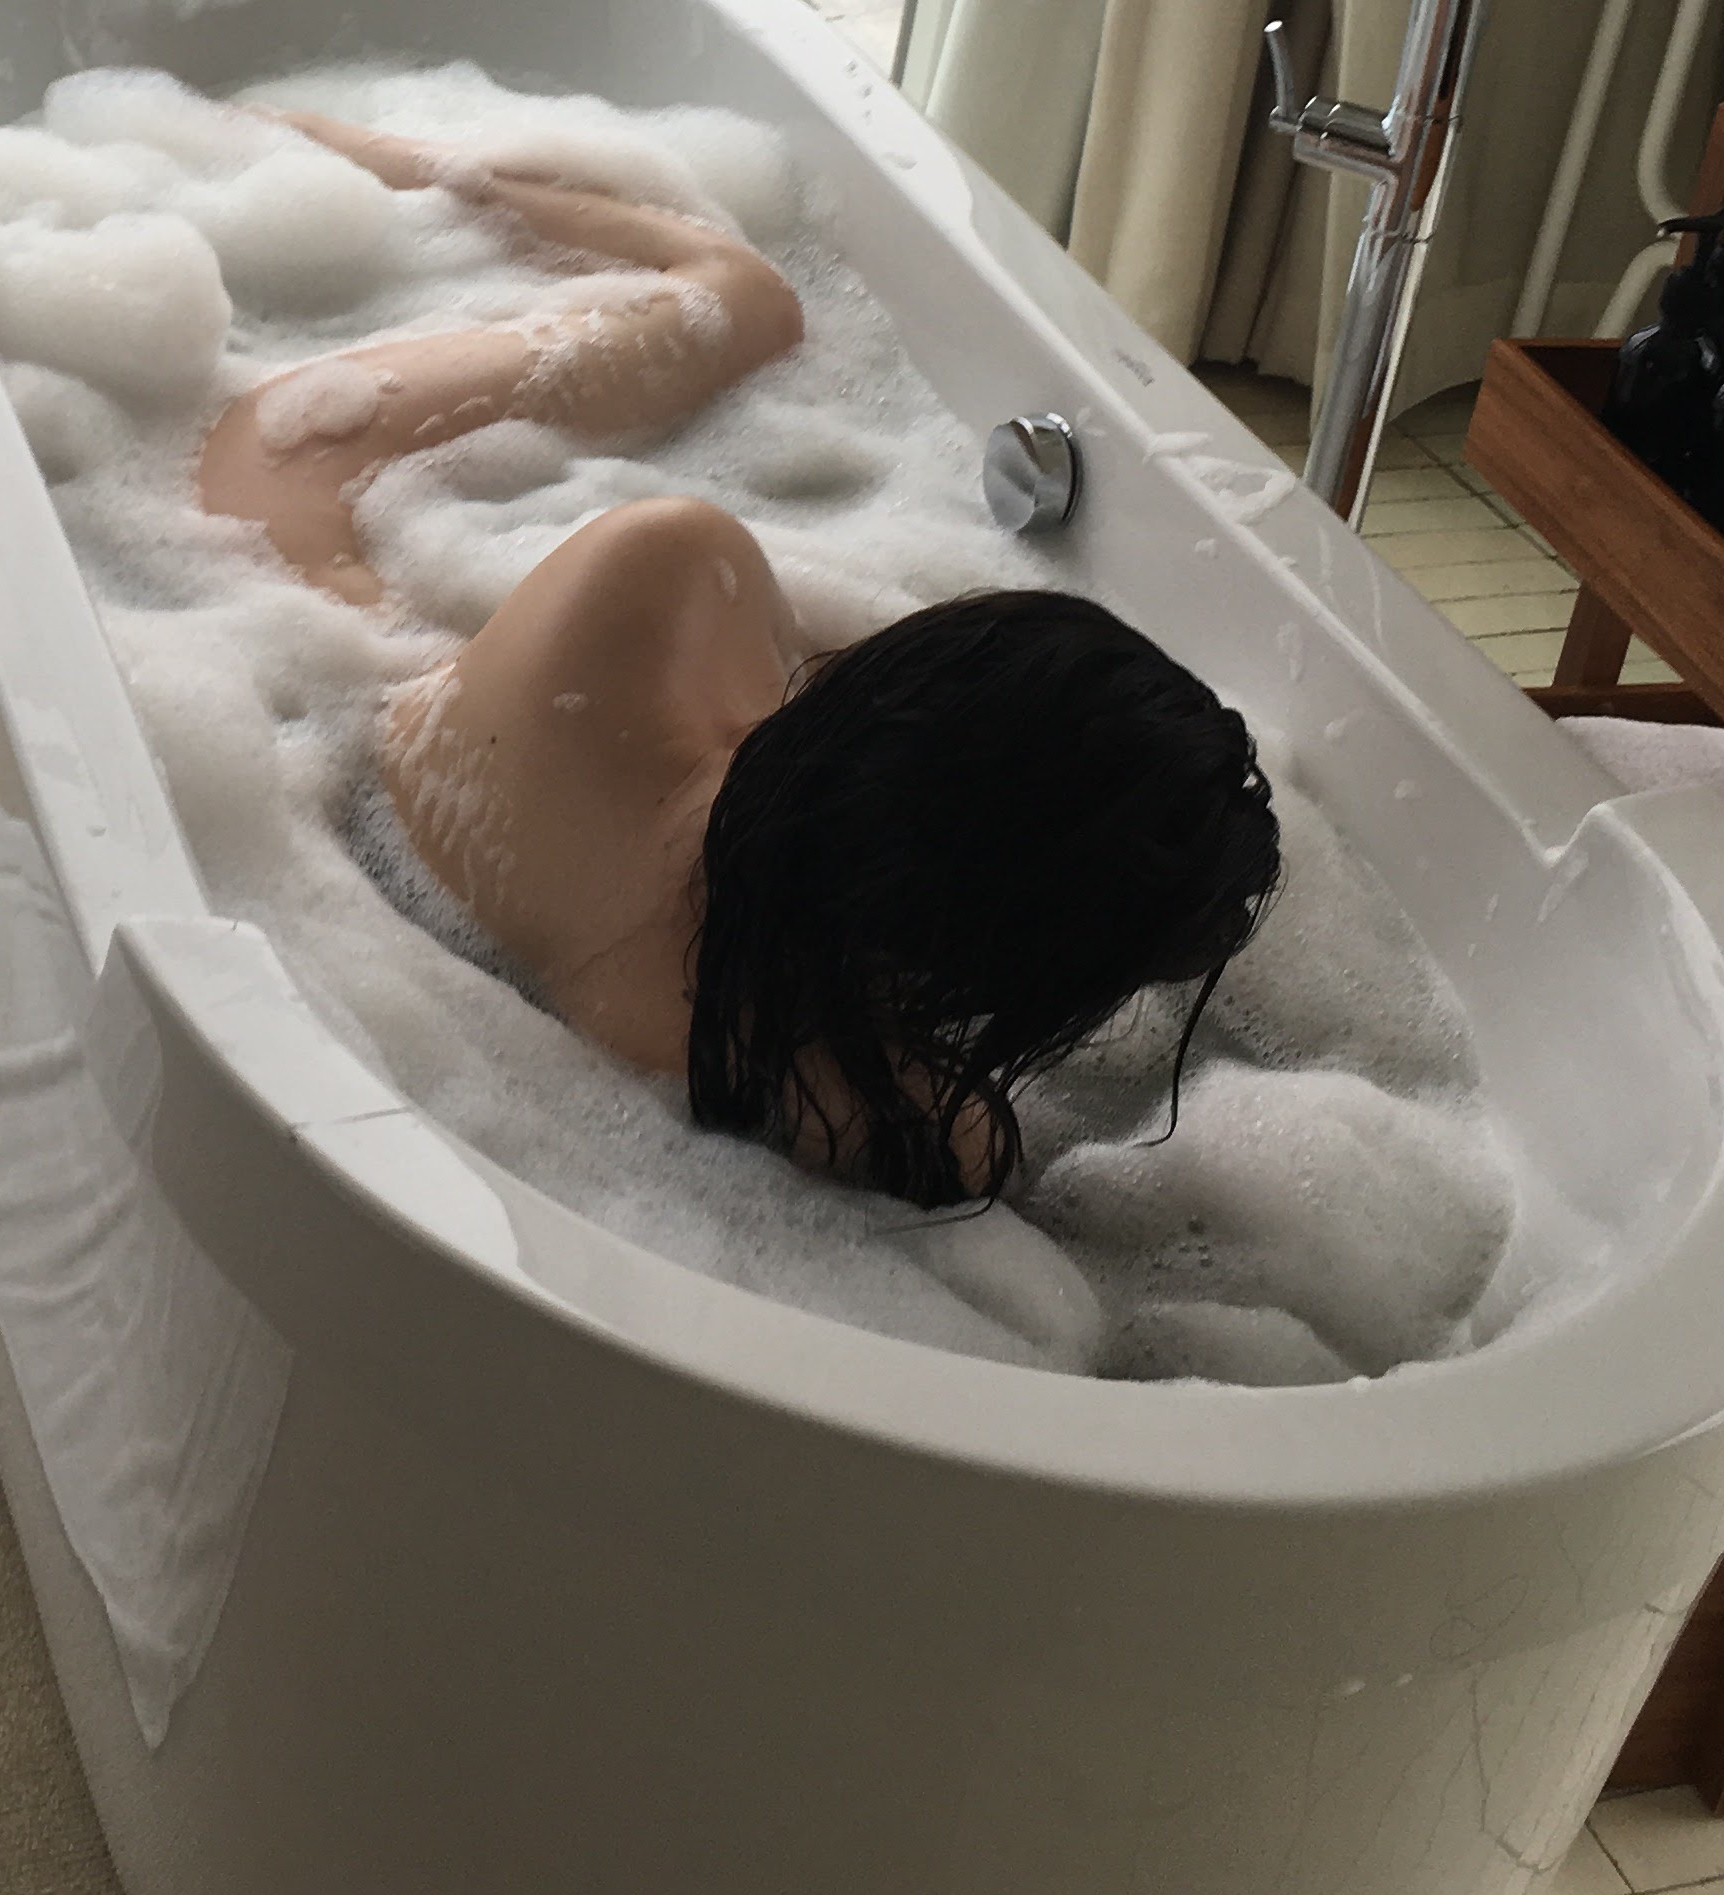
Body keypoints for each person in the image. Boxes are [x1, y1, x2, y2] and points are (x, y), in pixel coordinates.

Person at [197, 110, 1281, 1206]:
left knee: (745, 294)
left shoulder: (654, 578)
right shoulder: (884, 1115)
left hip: (272, 548)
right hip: (326, 683)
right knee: (752, 302)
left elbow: (870, 697)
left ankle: (389, 158)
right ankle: (421, 167)